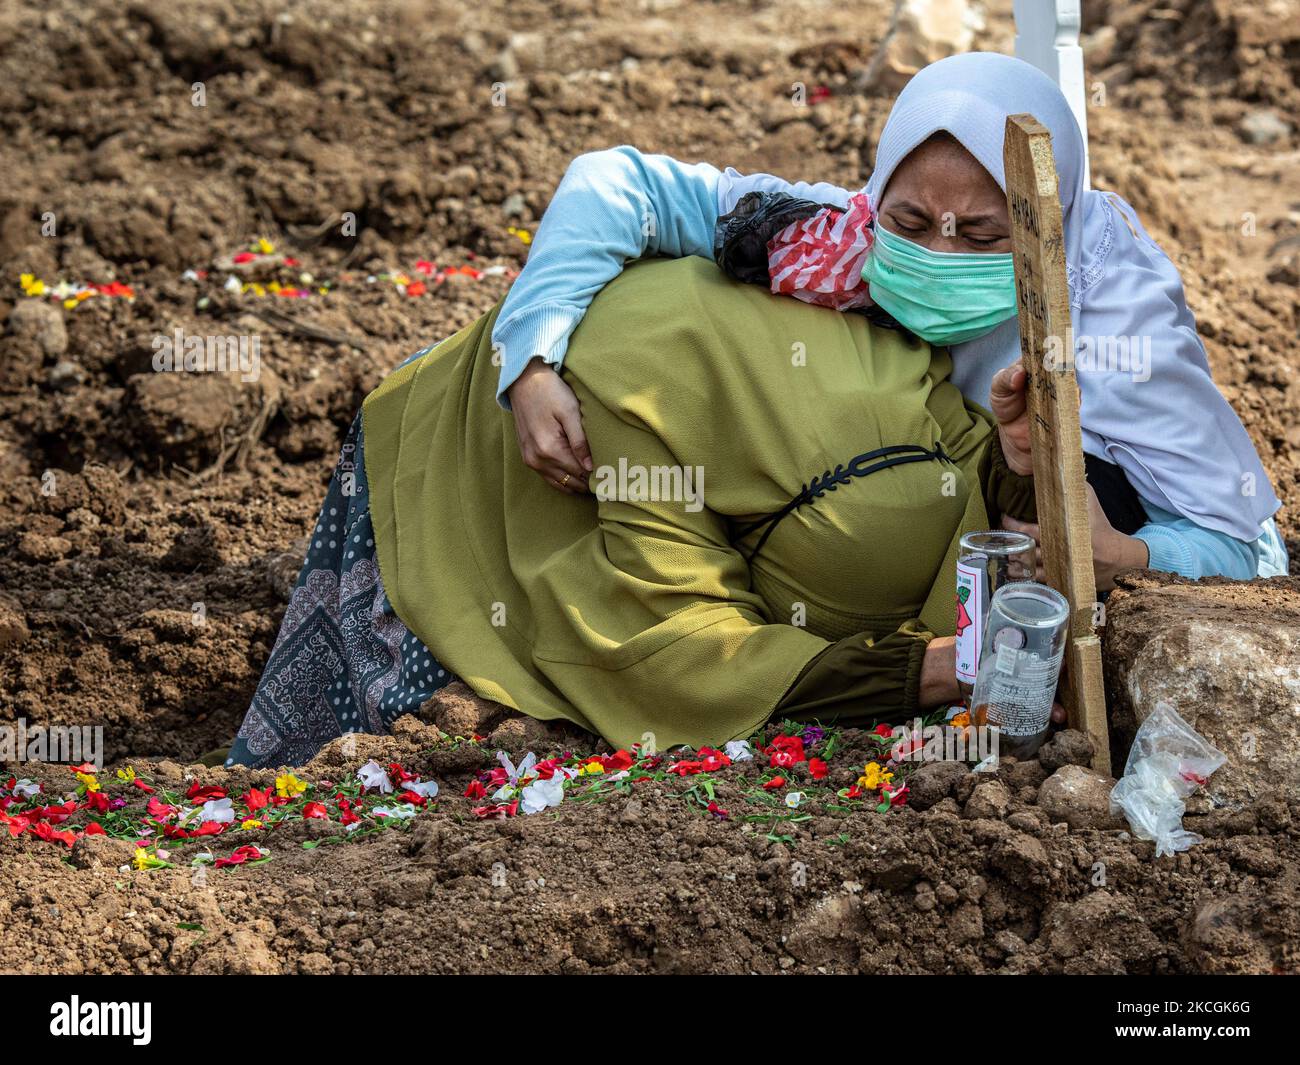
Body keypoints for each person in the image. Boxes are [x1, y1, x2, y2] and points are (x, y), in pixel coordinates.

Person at [495, 52, 1288, 589]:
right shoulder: (840, 238)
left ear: (1048, 226)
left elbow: (1238, 551)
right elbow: (616, 184)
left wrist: (1124, 556)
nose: (937, 254)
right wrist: (532, 362)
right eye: (911, 222)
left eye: (980, 235)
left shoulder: (1114, 318)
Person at [228, 255, 1047, 768]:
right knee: (405, 713)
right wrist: (935, 669)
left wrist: (1011, 464)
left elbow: (962, 495)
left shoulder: (894, 354)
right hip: (462, 460)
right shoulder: (641, 412)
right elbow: (675, 651)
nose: (940, 247)